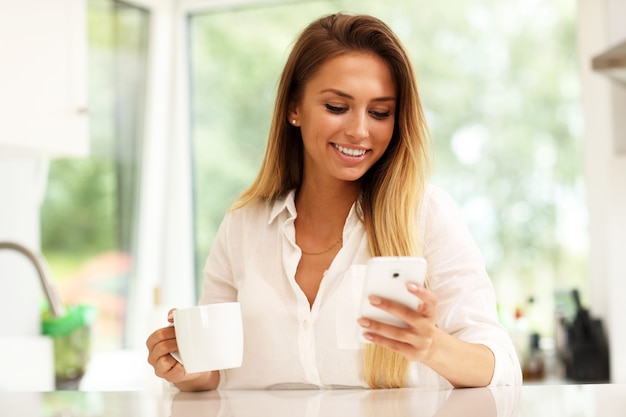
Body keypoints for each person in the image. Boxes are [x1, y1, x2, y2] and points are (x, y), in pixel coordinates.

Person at [146, 12, 522, 391]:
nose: (359, 131)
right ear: (294, 108)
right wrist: (187, 368)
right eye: (337, 107)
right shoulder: (244, 224)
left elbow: (501, 367)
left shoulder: (426, 214)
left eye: (379, 113)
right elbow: (216, 372)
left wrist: (431, 345)